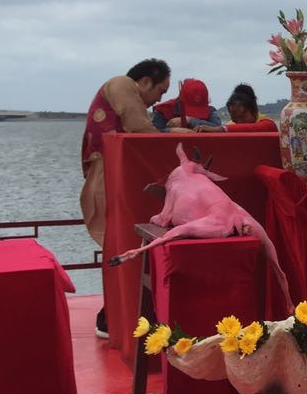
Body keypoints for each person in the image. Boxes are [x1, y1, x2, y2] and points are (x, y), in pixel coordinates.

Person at [81, 58, 171, 336]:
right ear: (144, 81)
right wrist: (170, 134)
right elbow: (139, 127)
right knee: (122, 245)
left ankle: (115, 316)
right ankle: (111, 318)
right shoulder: (122, 84)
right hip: (106, 179)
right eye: (160, 91)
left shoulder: (121, 87)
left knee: (122, 247)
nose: (157, 100)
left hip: (111, 177)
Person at [151, 78, 220, 132]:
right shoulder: (164, 110)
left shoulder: (210, 111)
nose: (194, 113)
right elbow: (152, 132)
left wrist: (190, 120)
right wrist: (170, 131)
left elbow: (220, 129)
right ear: (180, 99)